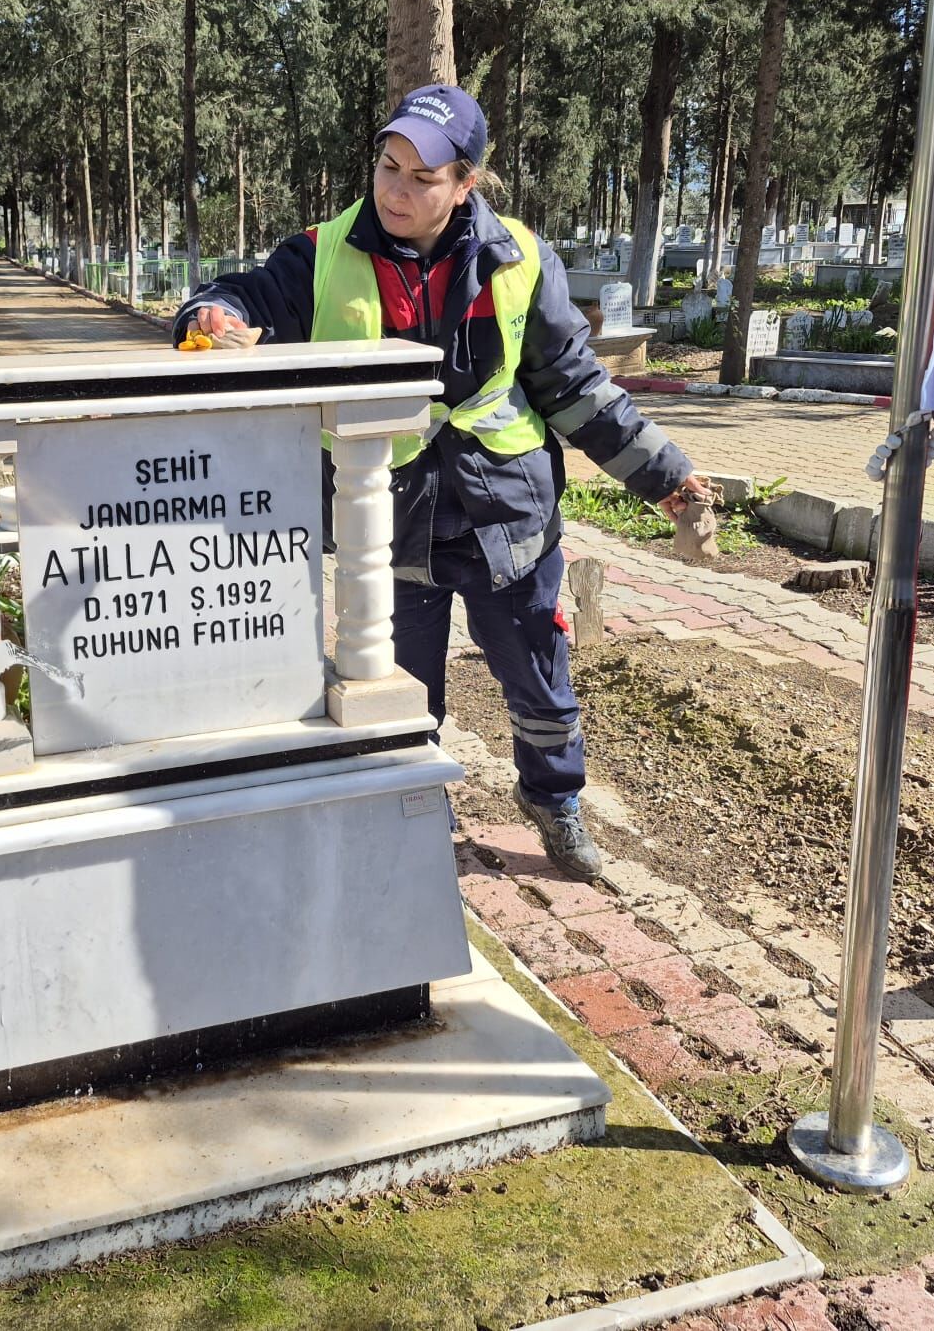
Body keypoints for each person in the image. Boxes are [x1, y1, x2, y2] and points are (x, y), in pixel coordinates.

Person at [174, 84, 709, 884]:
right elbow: (241, 296)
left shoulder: (519, 259)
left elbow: (573, 386)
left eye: (421, 177)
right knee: (398, 693)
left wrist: (666, 476)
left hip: (509, 520)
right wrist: (210, 317)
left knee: (540, 685)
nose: (395, 188)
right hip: (385, 527)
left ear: (465, 183)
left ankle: (553, 799)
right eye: (388, 166)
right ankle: (411, 814)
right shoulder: (320, 254)